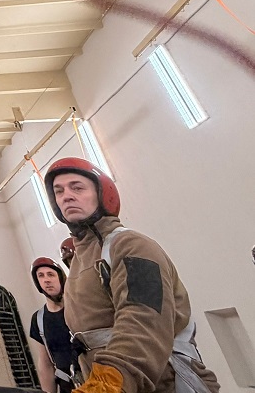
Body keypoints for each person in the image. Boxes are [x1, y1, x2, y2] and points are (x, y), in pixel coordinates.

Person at [44, 158, 219, 393]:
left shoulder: (131, 245)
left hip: (166, 385)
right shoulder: (78, 263)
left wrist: (109, 382)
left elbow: (143, 320)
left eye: (77, 188)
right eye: (59, 191)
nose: (67, 196)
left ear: (102, 194)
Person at [29, 256, 78, 393]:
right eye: (41, 276)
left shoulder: (79, 307)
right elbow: (45, 364)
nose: (46, 280)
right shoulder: (38, 319)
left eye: (51, 274)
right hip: (68, 385)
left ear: (60, 278)